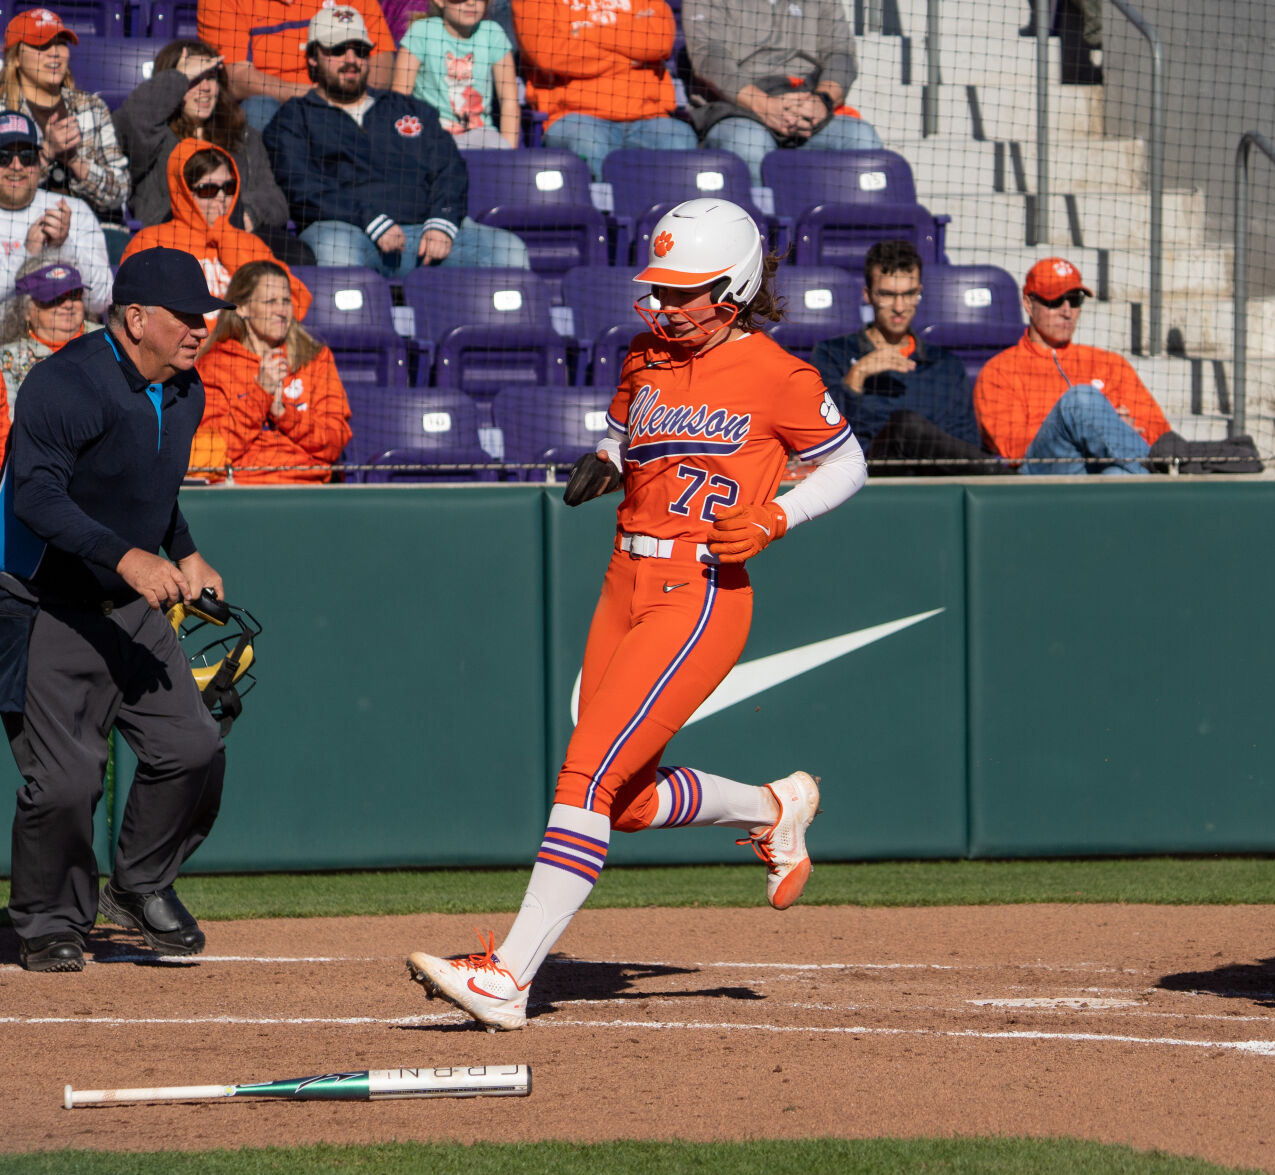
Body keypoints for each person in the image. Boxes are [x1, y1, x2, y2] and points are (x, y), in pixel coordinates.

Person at [407, 198, 867, 1031]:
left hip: (698, 592)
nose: (660, 306)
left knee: (584, 776)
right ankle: (773, 807)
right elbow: (629, 436)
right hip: (623, 583)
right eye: (657, 289)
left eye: (680, 292)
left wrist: (778, 515)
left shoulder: (777, 374)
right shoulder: (646, 356)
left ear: (731, 292)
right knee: (617, 798)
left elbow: (848, 464)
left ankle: (509, 975)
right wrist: (608, 460)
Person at [0, 246, 232, 973]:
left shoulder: (185, 389)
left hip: (124, 596)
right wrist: (127, 557)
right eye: (186, 316)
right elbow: (34, 497)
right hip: (45, 599)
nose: (201, 328)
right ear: (136, 318)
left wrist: (183, 548)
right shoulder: (64, 383)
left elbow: (147, 491)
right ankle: (47, 919)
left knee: (193, 747)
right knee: (66, 780)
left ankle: (139, 883)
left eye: (206, 316)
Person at [265, 5, 529, 274]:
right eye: (338, 49)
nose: (351, 58)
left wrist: (443, 220)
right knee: (335, 253)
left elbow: (450, 169)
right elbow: (302, 187)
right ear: (312, 57)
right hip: (350, 232)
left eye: (360, 50)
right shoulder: (294, 118)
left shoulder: (408, 109)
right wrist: (368, 219)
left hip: (426, 232)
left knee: (507, 250)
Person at [811, 239, 1004, 476]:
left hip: (935, 485)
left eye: (909, 294)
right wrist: (856, 378)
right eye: (888, 295)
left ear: (919, 293)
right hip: (865, 479)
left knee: (909, 427)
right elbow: (822, 438)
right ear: (868, 295)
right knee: (904, 425)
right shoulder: (833, 354)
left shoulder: (946, 366)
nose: (900, 307)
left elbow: (965, 445)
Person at [972, 257, 1181, 475]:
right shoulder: (999, 370)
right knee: (1080, 400)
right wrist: (1098, 425)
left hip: (1103, 469)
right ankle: (1183, 478)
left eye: (1074, 300)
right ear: (1028, 304)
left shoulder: (1109, 363)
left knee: (1117, 475)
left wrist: (1109, 430)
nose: (1067, 311)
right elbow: (1012, 448)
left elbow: (1158, 431)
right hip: (1041, 472)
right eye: (1054, 301)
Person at [113, 39, 310, 267]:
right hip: (172, 243)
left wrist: (248, 215)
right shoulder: (153, 134)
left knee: (298, 255)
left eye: (210, 77)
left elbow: (275, 201)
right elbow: (133, 117)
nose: (205, 87)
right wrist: (179, 78)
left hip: (237, 240)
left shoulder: (241, 136)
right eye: (194, 79)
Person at [685, 0, 885, 189]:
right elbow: (708, 55)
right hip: (735, 106)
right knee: (749, 143)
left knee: (861, 137)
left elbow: (841, 53)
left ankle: (841, 225)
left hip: (808, 100)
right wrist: (764, 104)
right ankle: (762, 224)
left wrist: (822, 100)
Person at [120, 140, 315, 322]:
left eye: (228, 188)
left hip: (245, 354)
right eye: (208, 190)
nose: (221, 197)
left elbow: (297, 302)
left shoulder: (250, 244)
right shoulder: (151, 242)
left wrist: (229, 240)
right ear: (185, 192)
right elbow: (135, 317)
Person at [192, 259, 350, 483]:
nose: (281, 311)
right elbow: (210, 451)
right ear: (243, 307)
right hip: (241, 491)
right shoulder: (215, 365)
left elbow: (334, 442)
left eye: (286, 301)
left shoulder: (315, 359)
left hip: (306, 489)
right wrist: (260, 395)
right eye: (270, 302)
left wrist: (284, 413)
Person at [517, 0, 697, 178]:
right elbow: (549, 55)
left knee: (680, 140)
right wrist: (629, 58)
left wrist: (585, 33)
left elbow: (659, 41)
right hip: (574, 118)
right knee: (590, 144)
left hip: (650, 117)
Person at [0, 9, 129, 226]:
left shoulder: (92, 108)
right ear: (16, 58)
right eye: (42, 45)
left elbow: (119, 193)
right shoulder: (3, 111)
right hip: (15, 228)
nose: (55, 53)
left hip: (90, 228)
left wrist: (74, 161)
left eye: (60, 44)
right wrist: (48, 152)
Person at [199, 0, 398, 131]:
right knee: (258, 108)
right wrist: (319, 97)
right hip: (275, 109)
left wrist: (353, 102)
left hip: (347, 102)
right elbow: (236, 79)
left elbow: (380, 58)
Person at [0, 111, 110, 317]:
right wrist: (28, 254)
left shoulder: (73, 210)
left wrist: (64, 246)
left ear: (38, 162)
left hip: (67, 342)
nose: (16, 166)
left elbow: (103, 299)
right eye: (3, 157)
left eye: (27, 156)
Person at [0, 255, 99, 454]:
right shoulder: (6, 359)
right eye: (55, 298)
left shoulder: (107, 340)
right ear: (27, 310)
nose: (68, 305)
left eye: (74, 295)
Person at [392, 0, 519, 150]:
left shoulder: (493, 33)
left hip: (481, 136)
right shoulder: (422, 32)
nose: (471, 2)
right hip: (431, 136)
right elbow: (399, 97)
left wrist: (509, 153)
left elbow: (509, 101)